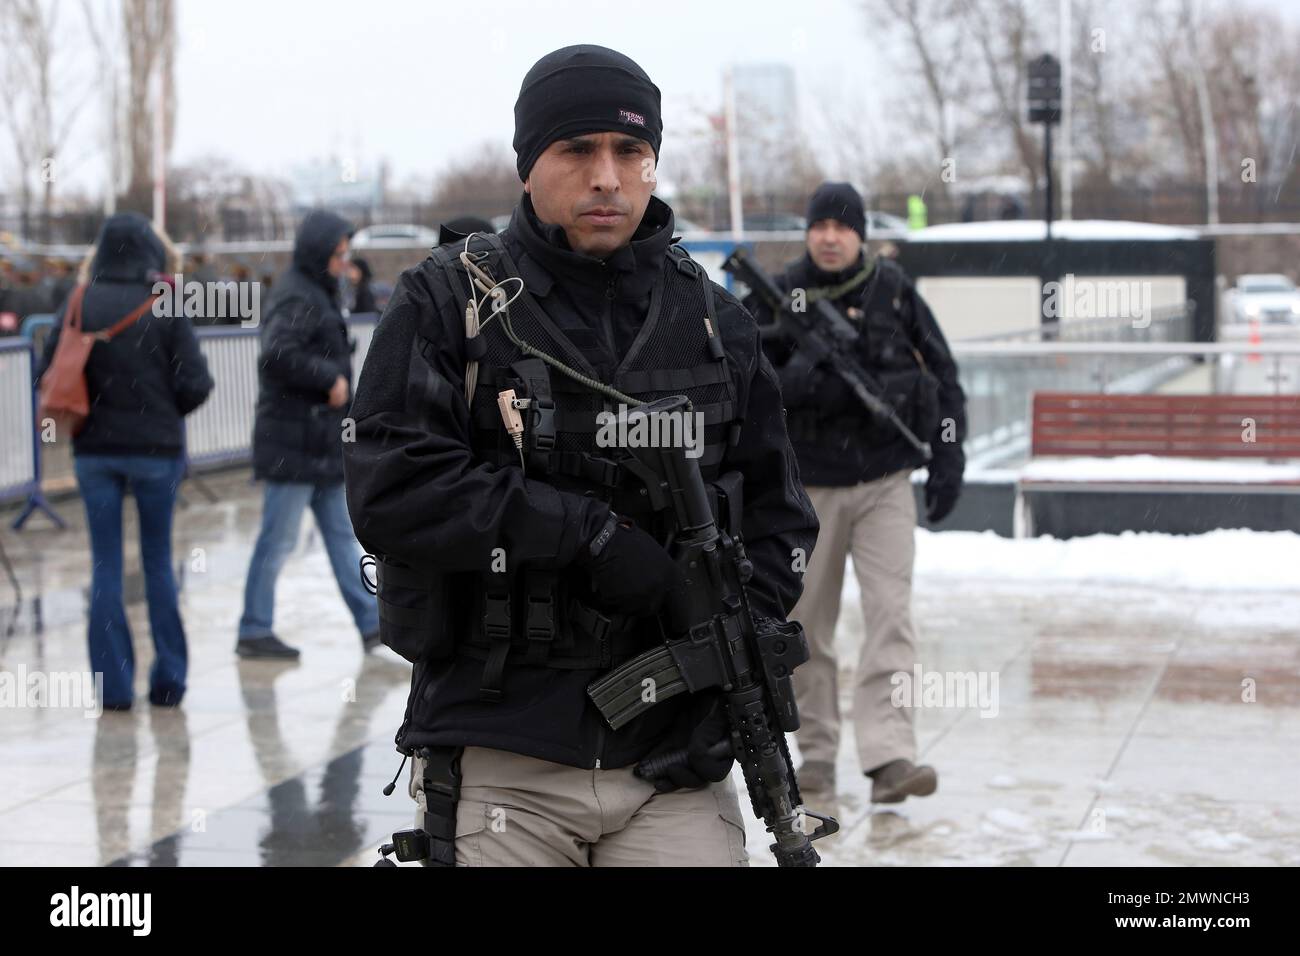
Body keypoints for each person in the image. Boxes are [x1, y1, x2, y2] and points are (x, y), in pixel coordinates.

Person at [344, 44, 817, 866]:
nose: (608, 176)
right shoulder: (448, 301)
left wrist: (730, 630)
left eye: (630, 152)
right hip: (504, 755)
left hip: (674, 765)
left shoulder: (713, 322)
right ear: (530, 164)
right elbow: (390, 485)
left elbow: (781, 516)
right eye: (578, 150)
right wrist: (583, 535)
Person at [745, 181, 967, 804]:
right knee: (807, 624)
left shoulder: (895, 293)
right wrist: (801, 379)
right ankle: (815, 755)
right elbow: (736, 378)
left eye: (843, 227)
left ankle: (890, 755)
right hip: (805, 488)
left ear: (861, 234)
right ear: (808, 232)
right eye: (820, 226)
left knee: (890, 616)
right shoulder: (777, 294)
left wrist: (950, 455)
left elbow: (944, 377)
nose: (831, 237)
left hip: (884, 483)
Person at [37, 212, 214, 710]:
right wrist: (161, 410)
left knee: (106, 567)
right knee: (158, 563)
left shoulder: (78, 301)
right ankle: (168, 681)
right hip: (156, 453)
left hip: (95, 452)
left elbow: (49, 371)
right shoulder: (166, 303)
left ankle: (113, 689)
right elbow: (197, 383)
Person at [235, 210, 380, 660]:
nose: (344, 262)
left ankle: (372, 623)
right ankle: (254, 629)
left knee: (341, 536)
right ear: (321, 252)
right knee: (277, 539)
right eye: (338, 253)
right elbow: (276, 353)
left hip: (316, 444)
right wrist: (328, 378)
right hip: (292, 448)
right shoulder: (298, 295)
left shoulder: (314, 289)